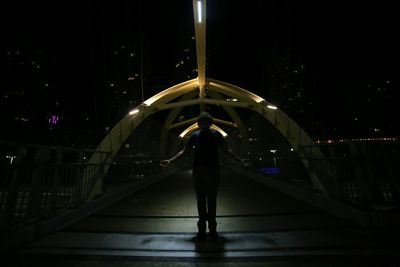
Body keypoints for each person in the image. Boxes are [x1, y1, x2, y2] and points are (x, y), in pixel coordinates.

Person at [160, 112, 246, 240]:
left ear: (208, 123)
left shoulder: (198, 135)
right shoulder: (212, 135)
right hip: (210, 171)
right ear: (201, 123)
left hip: (203, 171)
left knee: (205, 200)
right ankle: (210, 231)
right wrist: (171, 160)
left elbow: (185, 151)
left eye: (205, 121)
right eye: (202, 121)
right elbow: (226, 150)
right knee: (208, 200)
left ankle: (205, 231)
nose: (204, 123)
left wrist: (239, 160)